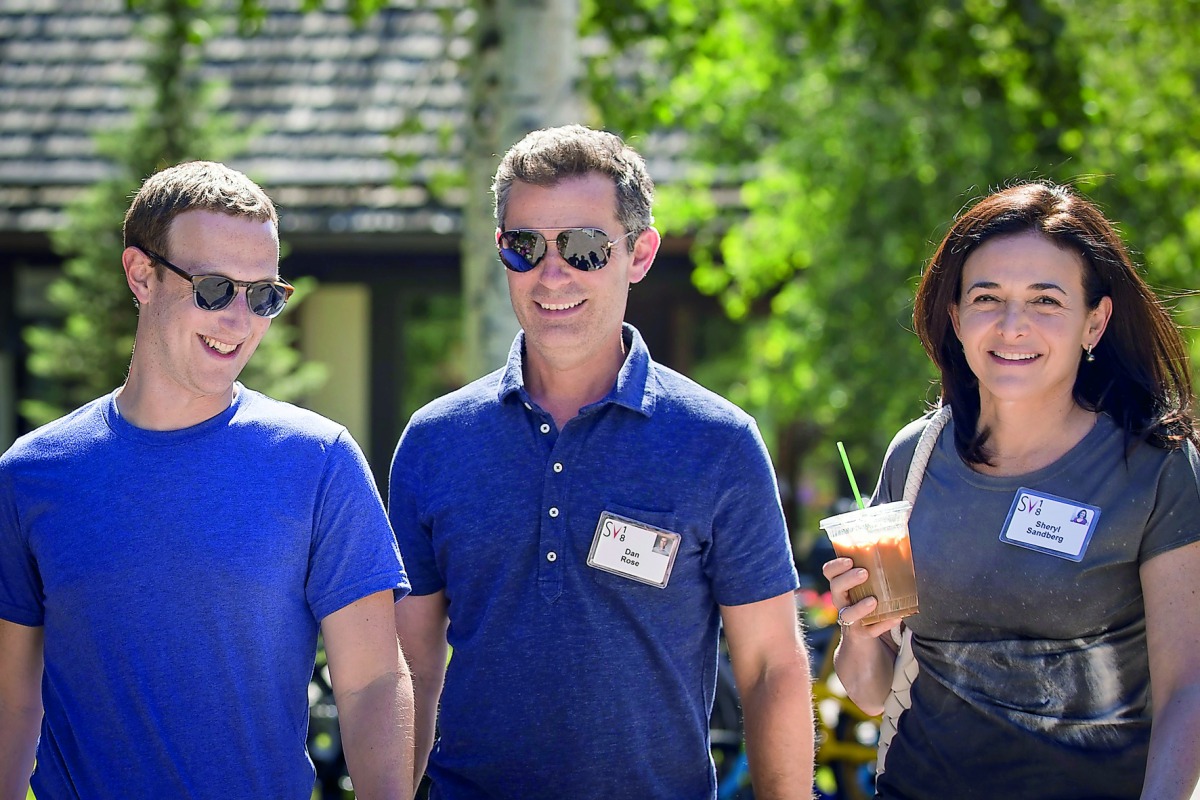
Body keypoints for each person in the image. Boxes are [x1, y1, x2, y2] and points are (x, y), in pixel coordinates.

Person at [390, 125, 814, 799]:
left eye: (584, 247)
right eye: (524, 245)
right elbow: (407, 666)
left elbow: (769, 668)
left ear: (639, 254)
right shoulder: (434, 441)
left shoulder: (719, 443)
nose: (551, 273)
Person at [0, 161, 415, 799]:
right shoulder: (31, 477)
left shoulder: (320, 461)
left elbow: (370, 684)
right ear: (141, 275)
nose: (239, 319)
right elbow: (11, 699)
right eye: (215, 288)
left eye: (263, 295)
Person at [824, 181, 1200, 799]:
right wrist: (859, 630)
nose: (1012, 326)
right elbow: (870, 694)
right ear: (956, 317)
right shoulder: (914, 458)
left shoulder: (1156, 468)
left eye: (1045, 300)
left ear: (1095, 321)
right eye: (987, 298)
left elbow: (1188, 689)